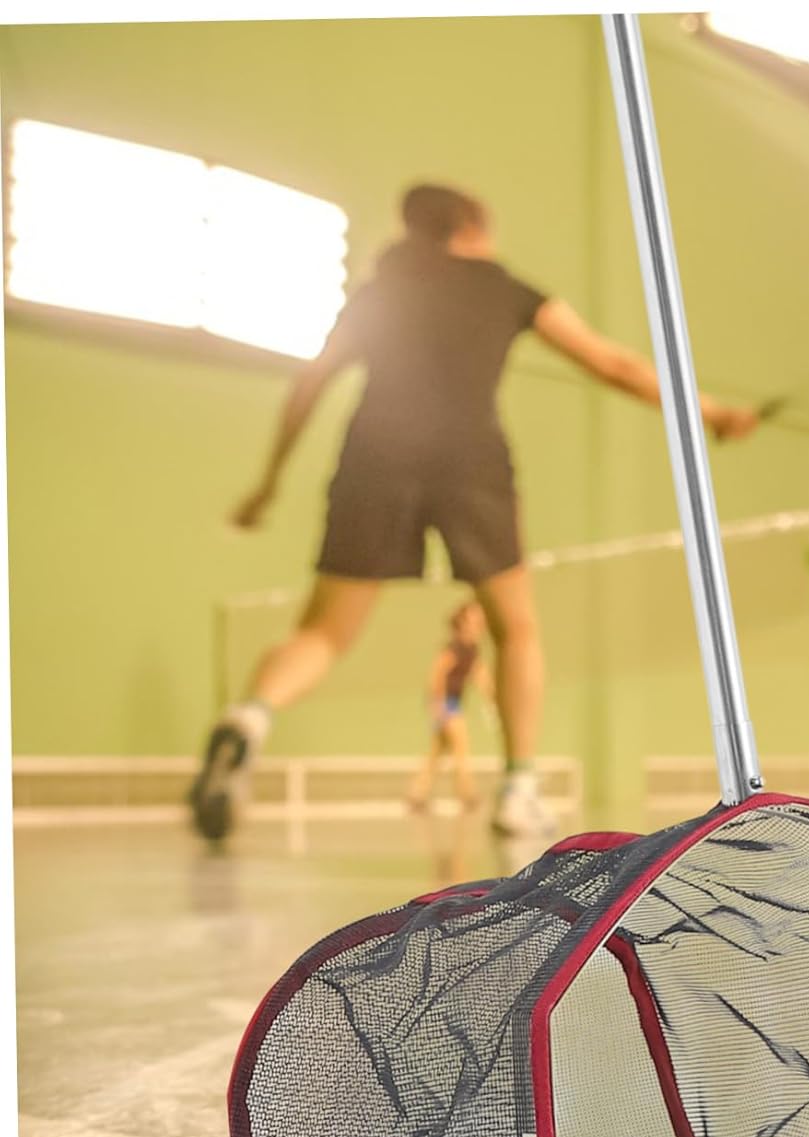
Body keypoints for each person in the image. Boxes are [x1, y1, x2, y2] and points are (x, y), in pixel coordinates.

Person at [190, 181, 759, 841]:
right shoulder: (504, 288)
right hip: (471, 464)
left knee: (322, 633)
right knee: (513, 628)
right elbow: (613, 364)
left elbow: (310, 384)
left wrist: (268, 483)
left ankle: (250, 718)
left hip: (373, 456)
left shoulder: (379, 294)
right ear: (469, 228)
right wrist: (712, 413)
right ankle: (518, 788)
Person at [408, 601, 491, 812]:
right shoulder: (454, 648)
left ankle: (417, 793)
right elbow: (437, 673)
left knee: (436, 752)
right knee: (461, 746)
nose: (478, 623)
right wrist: (438, 704)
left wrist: (492, 695)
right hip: (447, 705)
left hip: (452, 704)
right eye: (473, 618)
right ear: (462, 622)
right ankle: (467, 794)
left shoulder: (472, 649)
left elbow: (480, 674)